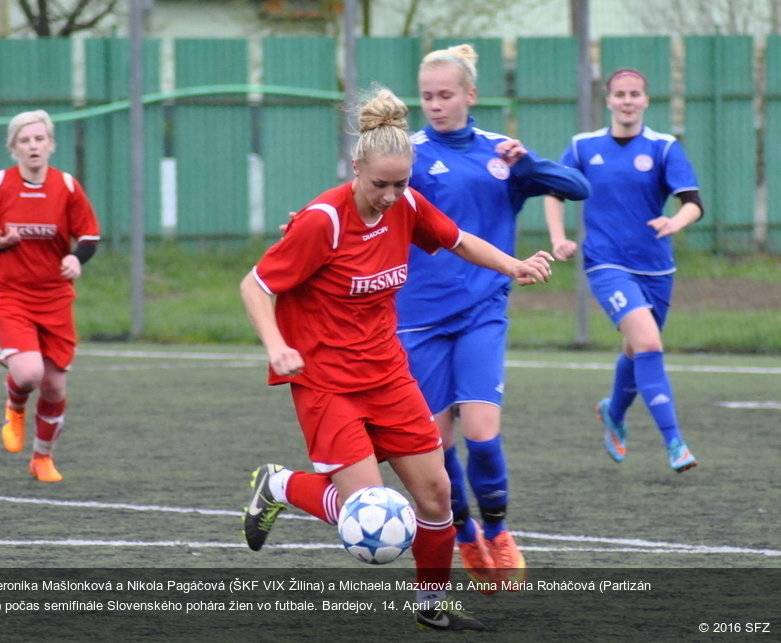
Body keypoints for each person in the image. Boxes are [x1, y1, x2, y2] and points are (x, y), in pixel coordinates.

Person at [241, 86, 554, 632]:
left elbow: (458, 240)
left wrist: (513, 265)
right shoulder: (323, 221)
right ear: (356, 167)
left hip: (387, 374)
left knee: (436, 497)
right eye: (379, 184)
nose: (390, 195)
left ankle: (430, 605)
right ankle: (279, 486)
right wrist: (276, 345)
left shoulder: (407, 205)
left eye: (400, 183)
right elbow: (255, 285)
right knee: (367, 511)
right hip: (327, 384)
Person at [395, 44, 591, 589]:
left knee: (482, 432)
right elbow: (361, 197)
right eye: (427, 96)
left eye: (446, 95)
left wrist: (526, 164)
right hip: (417, 319)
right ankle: (464, 538)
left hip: (482, 312)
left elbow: (578, 188)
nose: (434, 105)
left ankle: (499, 533)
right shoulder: (407, 154)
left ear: (471, 95)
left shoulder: (498, 155)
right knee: (435, 449)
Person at [544, 67, 702, 473]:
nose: (628, 100)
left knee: (636, 350)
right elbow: (554, 192)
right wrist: (558, 238)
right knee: (648, 343)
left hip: (657, 268)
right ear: (608, 100)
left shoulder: (665, 147)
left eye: (635, 94)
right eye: (620, 94)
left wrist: (675, 222)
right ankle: (675, 443)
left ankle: (614, 411)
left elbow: (692, 202)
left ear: (646, 100)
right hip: (606, 263)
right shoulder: (583, 146)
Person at [0, 109, 101, 482]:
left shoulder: (68, 187)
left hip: (55, 297)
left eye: (39, 139)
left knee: (55, 385)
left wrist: (75, 257)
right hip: (9, 295)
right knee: (28, 373)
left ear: (51, 145)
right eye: (25, 140)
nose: (33, 145)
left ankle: (42, 458)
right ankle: (15, 405)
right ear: (13, 148)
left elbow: (89, 235)